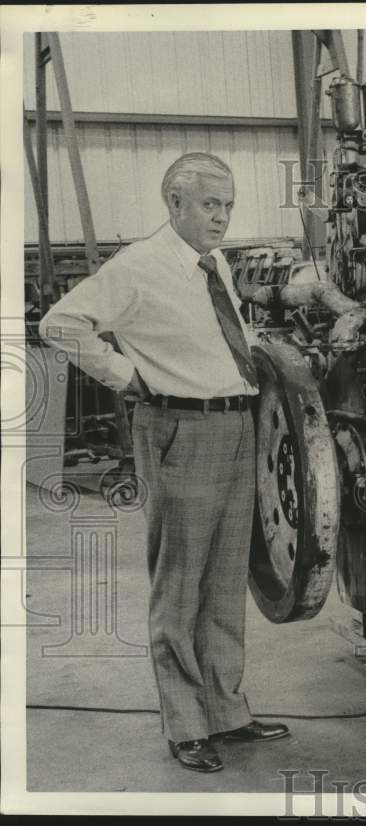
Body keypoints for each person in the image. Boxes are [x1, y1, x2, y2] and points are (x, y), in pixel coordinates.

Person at [39, 152, 289, 772]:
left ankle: (227, 712)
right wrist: (128, 376)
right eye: (210, 205)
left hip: (235, 424)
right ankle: (185, 726)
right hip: (180, 426)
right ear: (174, 203)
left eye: (228, 206)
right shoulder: (139, 266)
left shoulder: (213, 265)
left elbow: (215, 340)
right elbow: (60, 323)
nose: (222, 218)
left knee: (224, 580)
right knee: (180, 585)